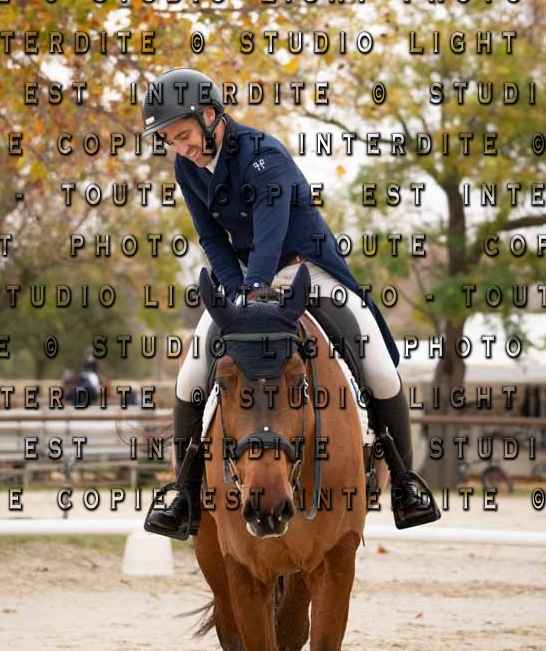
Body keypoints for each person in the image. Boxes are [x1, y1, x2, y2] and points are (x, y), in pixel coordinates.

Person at [142, 68, 440, 537]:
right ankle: (185, 493)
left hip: (309, 270)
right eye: (170, 140)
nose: (180, 148)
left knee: (380, 369)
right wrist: (239, 292)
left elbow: (271, 231)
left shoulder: (264, 155)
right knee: (191, 374)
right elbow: (212, 239)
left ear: (209, 115)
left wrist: (257, 287)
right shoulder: (187, 168)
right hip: (244, 279)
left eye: (183, 135)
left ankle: (406, 484)